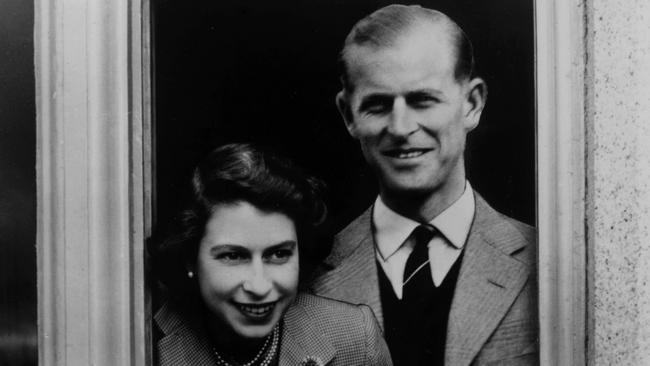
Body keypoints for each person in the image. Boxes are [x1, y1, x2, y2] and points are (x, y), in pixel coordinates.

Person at [309, 5, 537, 366]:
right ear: (348, 114)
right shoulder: (308, 274)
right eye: (378, 105)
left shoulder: (547, 261)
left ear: (472, 104)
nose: (400, 127)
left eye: (422, 100)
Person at [150, 143, 392, 366]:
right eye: (233, 256)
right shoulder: (144, 346)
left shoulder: (355, 338)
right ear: (190, 259)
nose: (259, 286)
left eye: (278, 254)